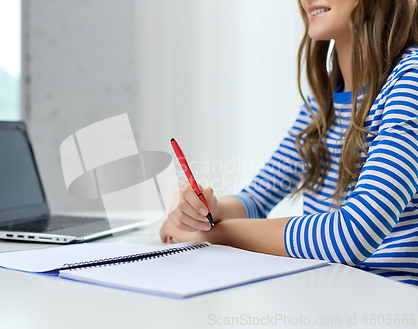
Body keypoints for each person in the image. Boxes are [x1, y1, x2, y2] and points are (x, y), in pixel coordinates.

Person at [159, 0, 418, 286]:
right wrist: (207, 212)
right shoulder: (321, 107)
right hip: (330, 298)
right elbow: (256, 198)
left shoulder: (411, 80)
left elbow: (352, 235)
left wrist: (213, 235)